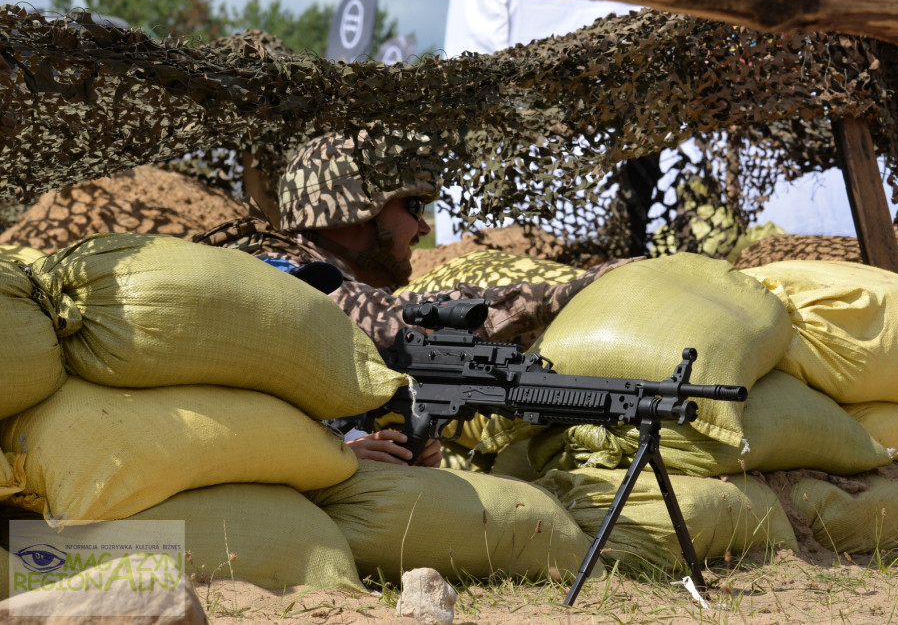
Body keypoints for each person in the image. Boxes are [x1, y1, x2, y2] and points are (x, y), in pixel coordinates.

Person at [194, 130, 633, 467]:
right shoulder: (283, 272)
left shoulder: (332, 280)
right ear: (355, 207)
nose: (423, 229)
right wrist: (570, 292)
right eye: (413, 208)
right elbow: (395, 324)